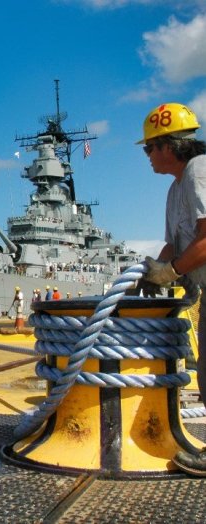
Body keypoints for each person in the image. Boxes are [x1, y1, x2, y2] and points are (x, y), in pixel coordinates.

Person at [136, 102, 206, 475]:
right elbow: (173, 246)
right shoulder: (175, 189)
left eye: (150, 148)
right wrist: (152, 272)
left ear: (168, 146)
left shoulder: (199, 170)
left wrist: (171, 272)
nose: (147, 156)